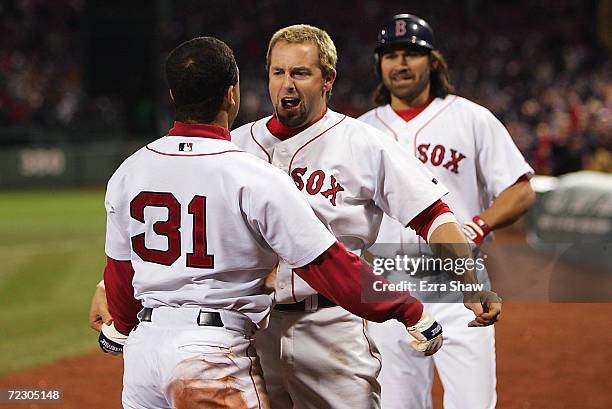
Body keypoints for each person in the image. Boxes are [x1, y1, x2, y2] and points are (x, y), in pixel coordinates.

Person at [95, 36, 447, 409]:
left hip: (145, 352)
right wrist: (408, 309)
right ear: (232, 94)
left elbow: (121, 270)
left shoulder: (129, 170)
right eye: (277, 72)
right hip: (214, 348)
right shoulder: (250, 171)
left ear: (172, 94)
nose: (286, 82)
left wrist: (120, 327)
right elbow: (327, 263)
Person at [228, 25, 500, 409]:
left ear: (327, 80)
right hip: (252, 329)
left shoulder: (362, 143)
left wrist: (469, 281)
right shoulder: (237, 147)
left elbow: (434, 215)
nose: (286, 84)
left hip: (331, 326)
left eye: (300, 73)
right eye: (278, 72)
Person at [359, 14, 536, 409]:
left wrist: (477, 225)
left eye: (411, 54)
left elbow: (521, 190)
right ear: (379, 65)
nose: (400, 64)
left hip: (459, 279)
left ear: (433, 63)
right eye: (390, 55)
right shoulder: (361, 130)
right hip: (387, 282)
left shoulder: (470, 118)